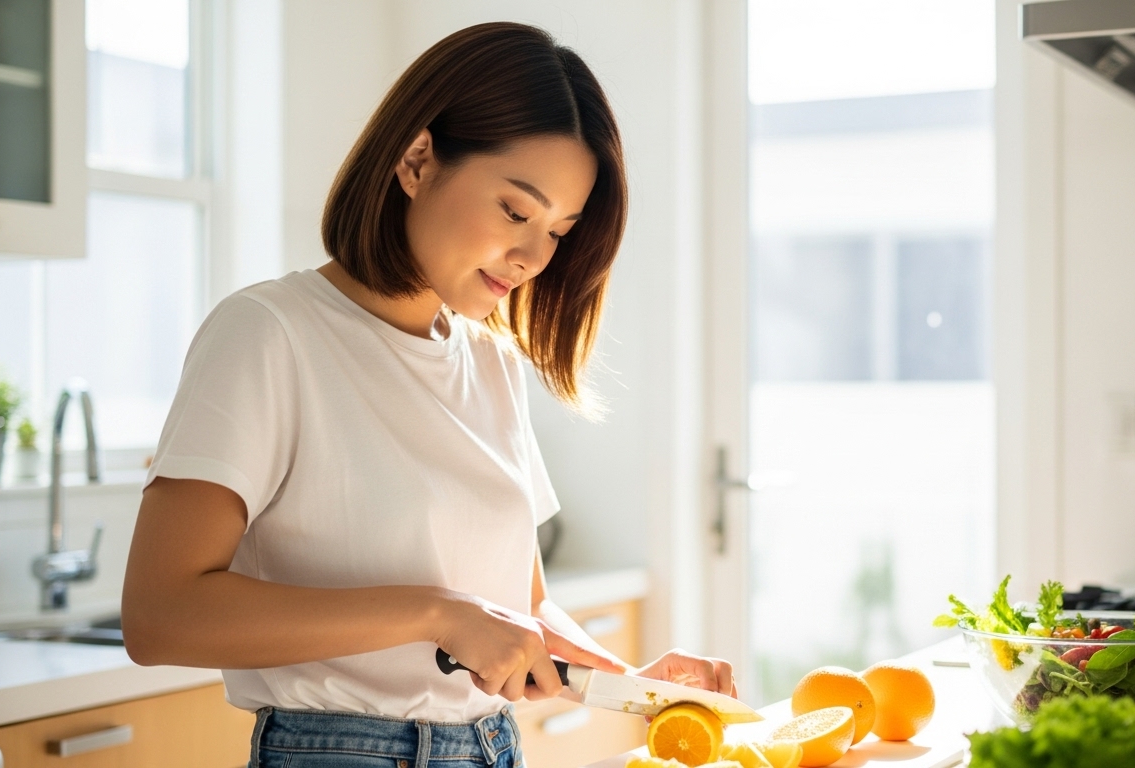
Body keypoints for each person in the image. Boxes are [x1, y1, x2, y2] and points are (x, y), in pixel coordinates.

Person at [121, 21, 735, 768]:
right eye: (516, 211)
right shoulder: (269, 333)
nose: (533, 256)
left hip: (491, 747)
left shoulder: (493, 364)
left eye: (559, 231)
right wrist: (436, 614)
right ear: (417, 161)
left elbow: (522, 609)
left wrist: (632, 686)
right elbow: (160, 615)